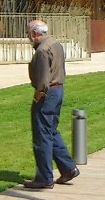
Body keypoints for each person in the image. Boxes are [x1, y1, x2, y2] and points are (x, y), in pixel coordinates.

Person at [21, 19, 80, 190]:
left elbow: (43, 79)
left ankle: (44, 177)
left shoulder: (42, 50)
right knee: (51, 131)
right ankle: (68, 168)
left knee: (42, 135)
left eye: (28, 34)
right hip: (58, 90)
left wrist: (39, 94)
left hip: (47, 94)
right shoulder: (56, 44)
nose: (28, 37)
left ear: (34, 33)